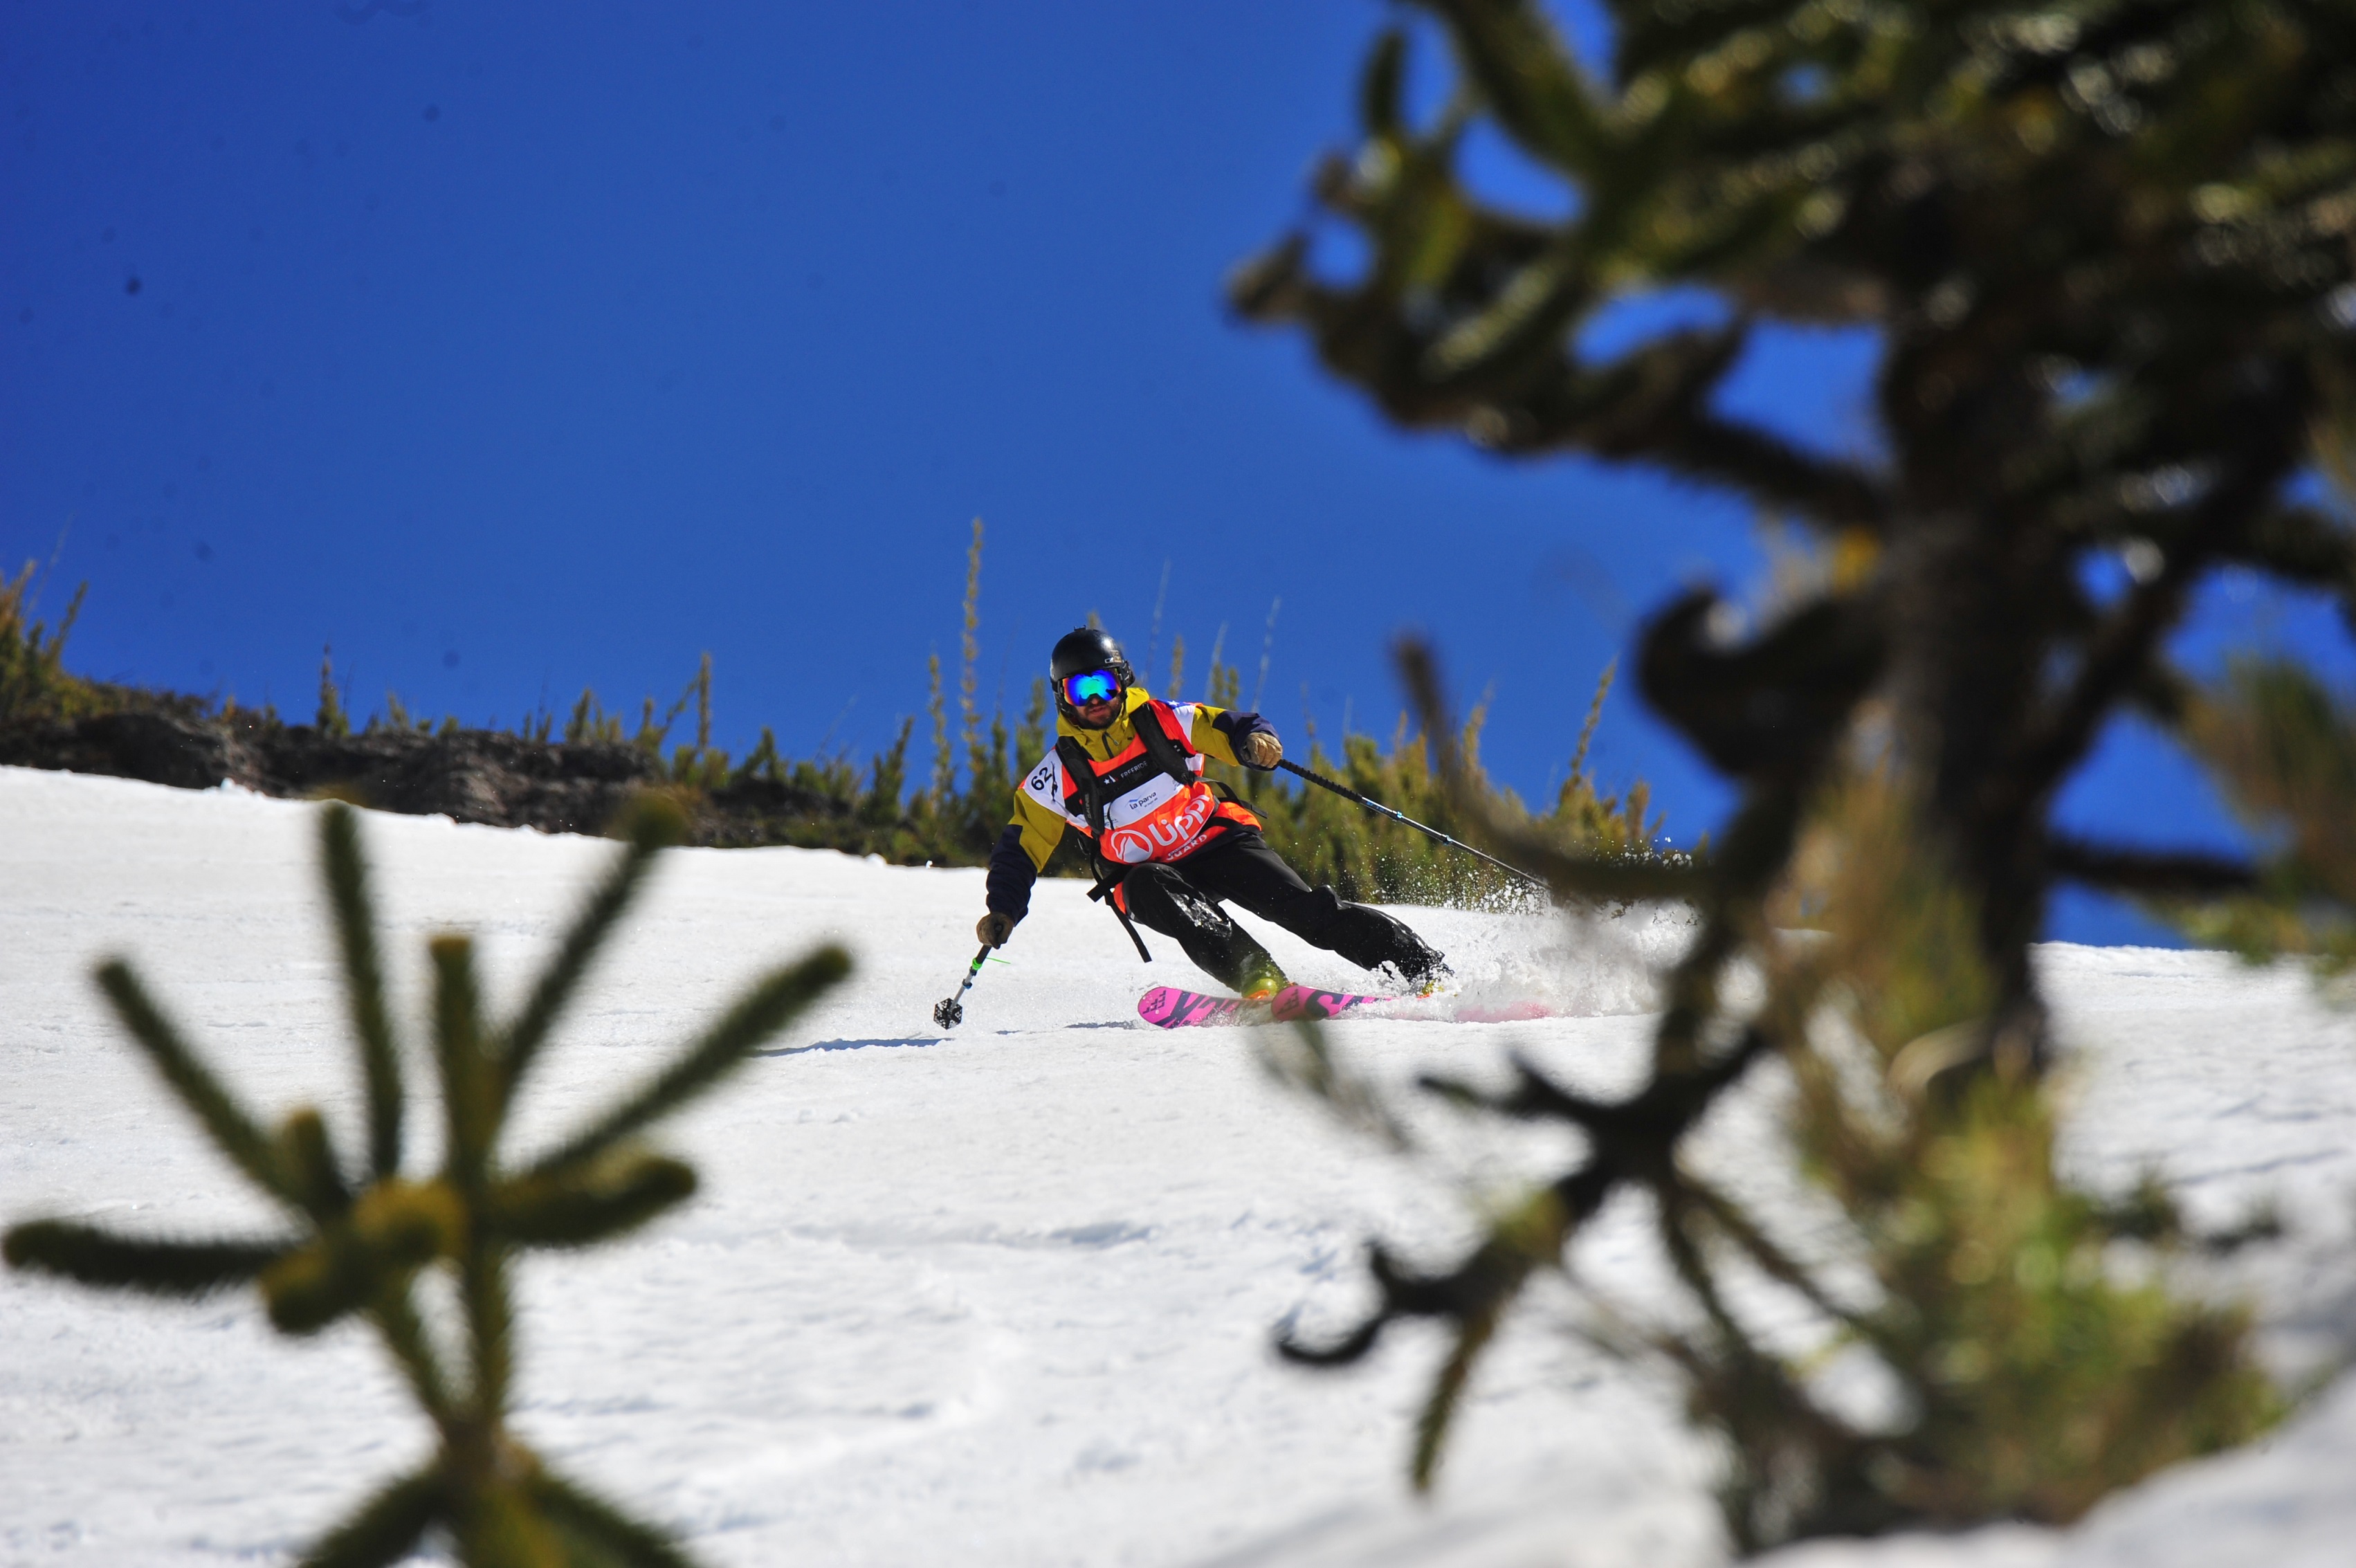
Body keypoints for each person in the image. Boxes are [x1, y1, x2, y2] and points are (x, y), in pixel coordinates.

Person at [975, 626, 1447, 999]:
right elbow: (1021, 848)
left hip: (1217, 842)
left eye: (1103, 684)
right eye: (1081, 691)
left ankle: (1425, 972)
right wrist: (1004, 908)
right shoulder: (1056, 775)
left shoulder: (1164, 721)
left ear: (1122, 680)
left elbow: (1228, 725)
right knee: (1156, 891)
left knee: (1306, 912)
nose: (1096, 701)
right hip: (1148, 875)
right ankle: (1262, 982)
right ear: (1062, 697)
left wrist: (1254, 741)